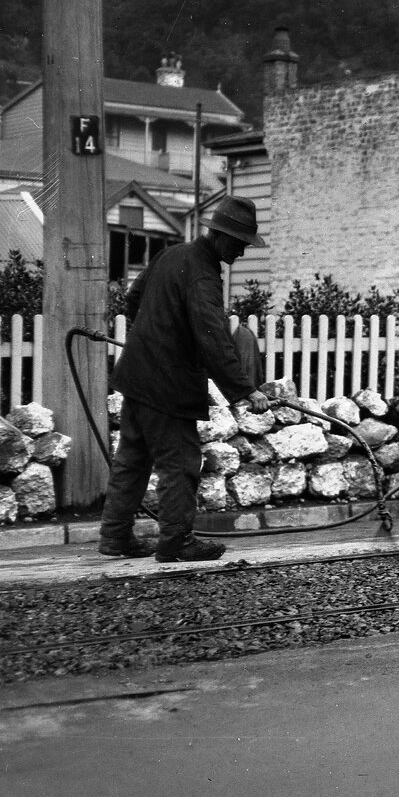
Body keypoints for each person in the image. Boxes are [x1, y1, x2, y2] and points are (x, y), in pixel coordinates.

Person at [97, 196, 274, 563]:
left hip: (137, 375)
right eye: (240, 244)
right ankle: (176, 541)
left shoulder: (171, 254)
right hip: (167, 386)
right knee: (180, 463)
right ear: (222, 236)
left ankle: (115, 538)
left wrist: (155, 334)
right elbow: (212, 336)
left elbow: (133, 301)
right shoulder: (203, 275)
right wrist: (246, 390)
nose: (241, 252)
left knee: (132, 458)